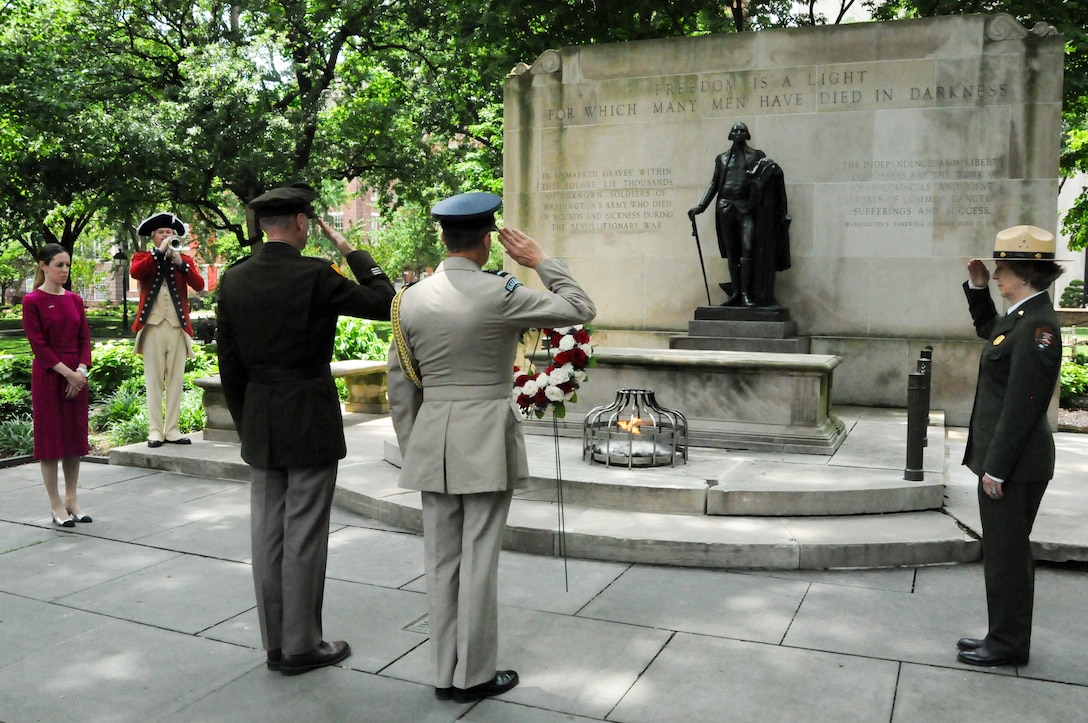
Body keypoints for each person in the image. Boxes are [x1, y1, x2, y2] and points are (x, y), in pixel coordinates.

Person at [386, 192, 595, 703]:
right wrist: (539, 260)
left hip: (432, 438)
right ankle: (473, 675)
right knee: (479, 557)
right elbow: (581, 308)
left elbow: (400, 385)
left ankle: (443, 671)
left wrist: (417, 447)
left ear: (442, 237)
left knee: (440, 559)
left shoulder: (408, 299)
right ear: (486, 240)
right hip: (484, 439)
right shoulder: (501, 293)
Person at [216, 182, 395, 676]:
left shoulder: (233, 279)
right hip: (309, 416)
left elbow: (228, 363)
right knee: (304, 536)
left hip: (260, 416)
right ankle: (301, 646)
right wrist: (353, 251)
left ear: (260, 226)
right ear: (300, 224)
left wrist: (246, 421)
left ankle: (276, 644)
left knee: (267, 534)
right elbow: (386, 302)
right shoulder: (315, 275)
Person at [957, 224, 1064, 668]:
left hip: (1015, 465)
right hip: (1011, 462)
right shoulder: (1022, 316)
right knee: (1004, 555)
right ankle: (1002, 636)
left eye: (1000, 268)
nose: (996, 274)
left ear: (1021, 272)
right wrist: (977, 290)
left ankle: (1007, 644)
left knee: (1007, 559)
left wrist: (996, 469)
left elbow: (1023, 406)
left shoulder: (1039, 325)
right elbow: (991, 332)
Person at [22, 244, 92, 528]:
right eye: (59, 265)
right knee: (51, 442)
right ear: (44, 266)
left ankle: (72, 499)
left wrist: (81, 372)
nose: (65, 270)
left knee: (74, 441)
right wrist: (68, 375)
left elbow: (84, 339)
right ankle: (55, 504)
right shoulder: (32, 301)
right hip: (50, 376)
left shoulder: (74, 299)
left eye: (67, 265)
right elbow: (38, 345)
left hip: (76, 374)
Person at [688, 121, 790, 308]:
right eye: (736, 130)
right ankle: (736, 294)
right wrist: (701, 206)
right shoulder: (722, 159)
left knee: (748, 249)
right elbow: (714, 183)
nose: (739, 133)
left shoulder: (757, 156)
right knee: (732, 252)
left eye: (743, 130)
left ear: (747, 135)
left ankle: (746, 294)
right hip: (725, 207)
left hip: (746, 208)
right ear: (730, 135)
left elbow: (767, 179)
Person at [130, 212, 206, 447]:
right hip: (152, 326)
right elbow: (136, 273)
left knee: (175, 380)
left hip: (177, 327)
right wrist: (159, 252)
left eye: (170, 233)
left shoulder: (184, 260)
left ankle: (172, 429)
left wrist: (181, 265)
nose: (167, 235)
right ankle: (155, 430)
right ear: (153, 236)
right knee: (153, 381)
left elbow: (200, 285)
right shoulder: (143, 256)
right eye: (162, 232)